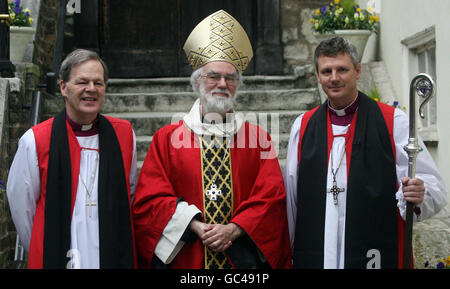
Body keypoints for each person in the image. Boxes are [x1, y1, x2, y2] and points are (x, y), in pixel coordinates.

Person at [133, 10, 291, 269]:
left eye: (230, 78)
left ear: (237, 86)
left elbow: (271, 197)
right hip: (189, 258)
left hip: (239, 261)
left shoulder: (257, 138)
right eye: (213, 76)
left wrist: (235, 228)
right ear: (197, 83)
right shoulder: (167, 138)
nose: (222, 83)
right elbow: (151, 199)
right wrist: (192, 224)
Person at [284, 36, 448, 269]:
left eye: (342, 69)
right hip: (316, 252)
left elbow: (434, 187)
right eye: (326, 71)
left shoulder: (393, 122)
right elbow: (292, 199)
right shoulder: (303, 126)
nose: (334, 78)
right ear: (318, 76)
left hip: (376, 255)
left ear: (358, 70)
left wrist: (419, 192)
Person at [7, 49, 137, 269]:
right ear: (63, 87)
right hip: (58, 252)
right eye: (82, 82)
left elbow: (130, 192)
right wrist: (45, 245)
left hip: (111, 249)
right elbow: (22, 207)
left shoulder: (124, 134)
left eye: (98, 82)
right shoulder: (36, 140)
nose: (91, 89)